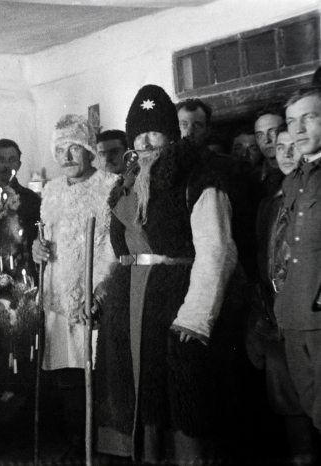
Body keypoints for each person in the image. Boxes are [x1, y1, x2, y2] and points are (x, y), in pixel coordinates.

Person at [94, 85, 238, 465]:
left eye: (154, 131)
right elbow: (121, 251)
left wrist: (195, 319)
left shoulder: (198, 177)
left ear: (172, 134)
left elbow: (217, 251)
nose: (145, 141)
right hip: (132, 309)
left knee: (182, 410)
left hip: (176, 308)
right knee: (141, 404)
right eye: (138, 134)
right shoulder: (124, 186)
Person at [32, 114, 118, 454]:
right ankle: (74, 446)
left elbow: (116, 245)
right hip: (57, 299)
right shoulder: (51, 190)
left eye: (75, 148)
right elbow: (45, 238)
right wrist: (37, 249)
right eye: (60, 150)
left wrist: (101, 290)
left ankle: (99, 449)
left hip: (94, 296)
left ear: (89, 151)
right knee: (67, 379)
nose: (67, 157)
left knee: (96, 377)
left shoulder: (110, 186)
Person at [247, 126, 316, 464]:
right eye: (281, 146)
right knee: (288, 404)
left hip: (312, 317)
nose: (287, 154)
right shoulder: (267, 204)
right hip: (277, 320)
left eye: (295, 146)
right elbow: (261, 262)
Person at [277, 86, 321, 444]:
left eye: (310, 117)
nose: (300, 129)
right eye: (292, 122)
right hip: (292, 316)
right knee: (311, 411)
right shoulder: (292, 182)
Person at [0, 138, 41, 276]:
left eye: (12, 160)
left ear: (18, 164)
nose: (6, 165)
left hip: (21, 274)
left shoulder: (31, 200)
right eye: (1, 160)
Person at [254, 104, 286, 198]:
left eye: (273, 132)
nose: (266, 140)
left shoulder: (303, 171)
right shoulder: (253, 178)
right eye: (260, 135)